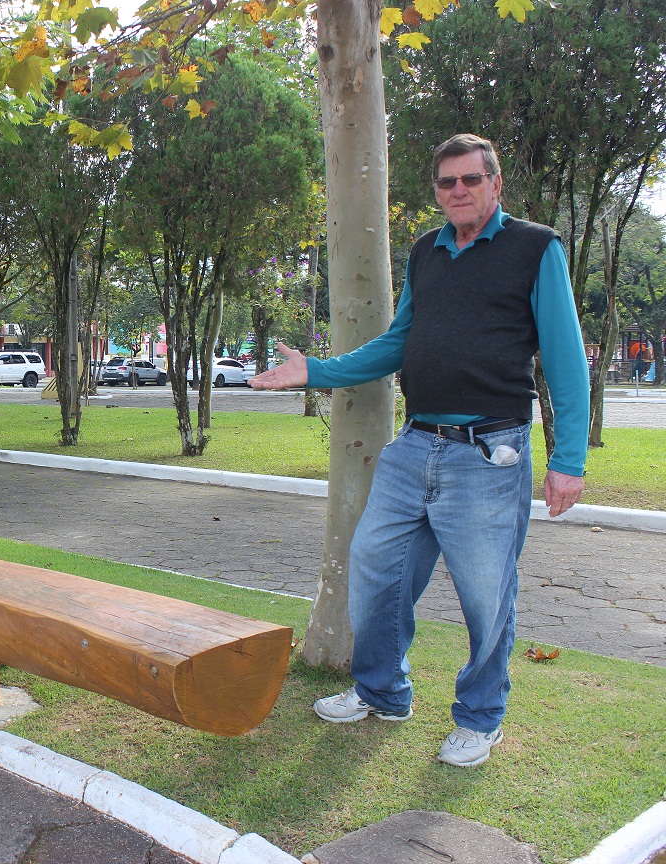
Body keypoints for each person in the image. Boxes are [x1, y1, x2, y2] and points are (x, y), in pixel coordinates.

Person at [251, 134, 589, 767]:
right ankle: (382, 692)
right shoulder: (426, 252)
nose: (458, 190)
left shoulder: (536, 248)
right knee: (374, 569)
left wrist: (567, 461)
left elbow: (567, 361)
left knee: (486, 596)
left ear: (495, 184)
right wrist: (316, 371)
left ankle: (480, 717)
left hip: (490, 453)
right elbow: (397, 343)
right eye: (446, 182)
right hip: (414, 446)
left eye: (470, 179)